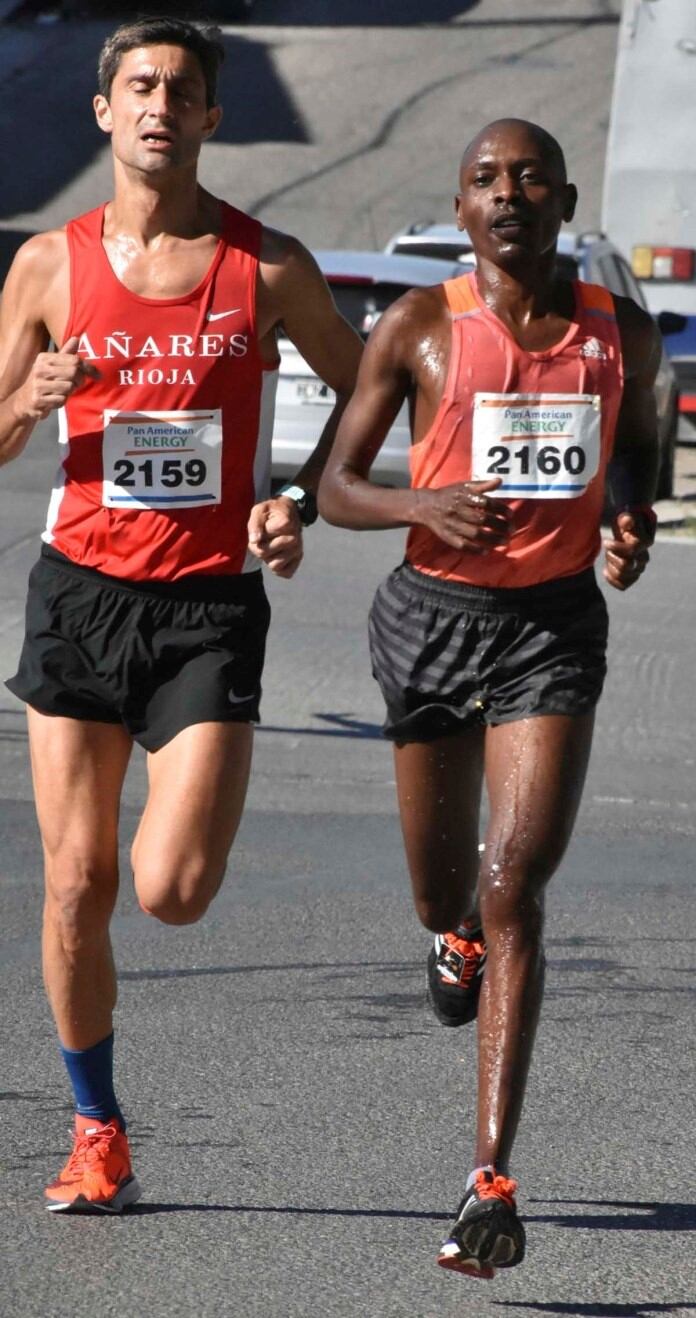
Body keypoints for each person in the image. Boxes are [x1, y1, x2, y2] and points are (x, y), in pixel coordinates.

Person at [0, 16, 361, 1213]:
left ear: (213, 117)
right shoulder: (50, 266)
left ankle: (102, 1103)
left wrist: (298, 496)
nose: (160, 104)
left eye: (184, 90)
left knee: (172, 887)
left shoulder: (266, 267)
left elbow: (372, 393)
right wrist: (27, 397)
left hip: (207, 608)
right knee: (74, 880)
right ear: (103, 112)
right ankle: (96, 1125)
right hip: (80, 596)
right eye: (140, 86)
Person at [319, 118, 659, 1279]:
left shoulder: (623, 332)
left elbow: (633, 453)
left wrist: (626, 516)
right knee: (445, 885)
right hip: (431, 622)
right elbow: (338, 484)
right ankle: (450, 931)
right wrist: (424, 507)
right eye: (484, 180)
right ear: (460, 209)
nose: (507, 194)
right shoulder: (418, 326)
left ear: (563, 198)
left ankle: (489, 1182)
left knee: (517, 882)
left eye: (527, 178)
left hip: (552, 631)